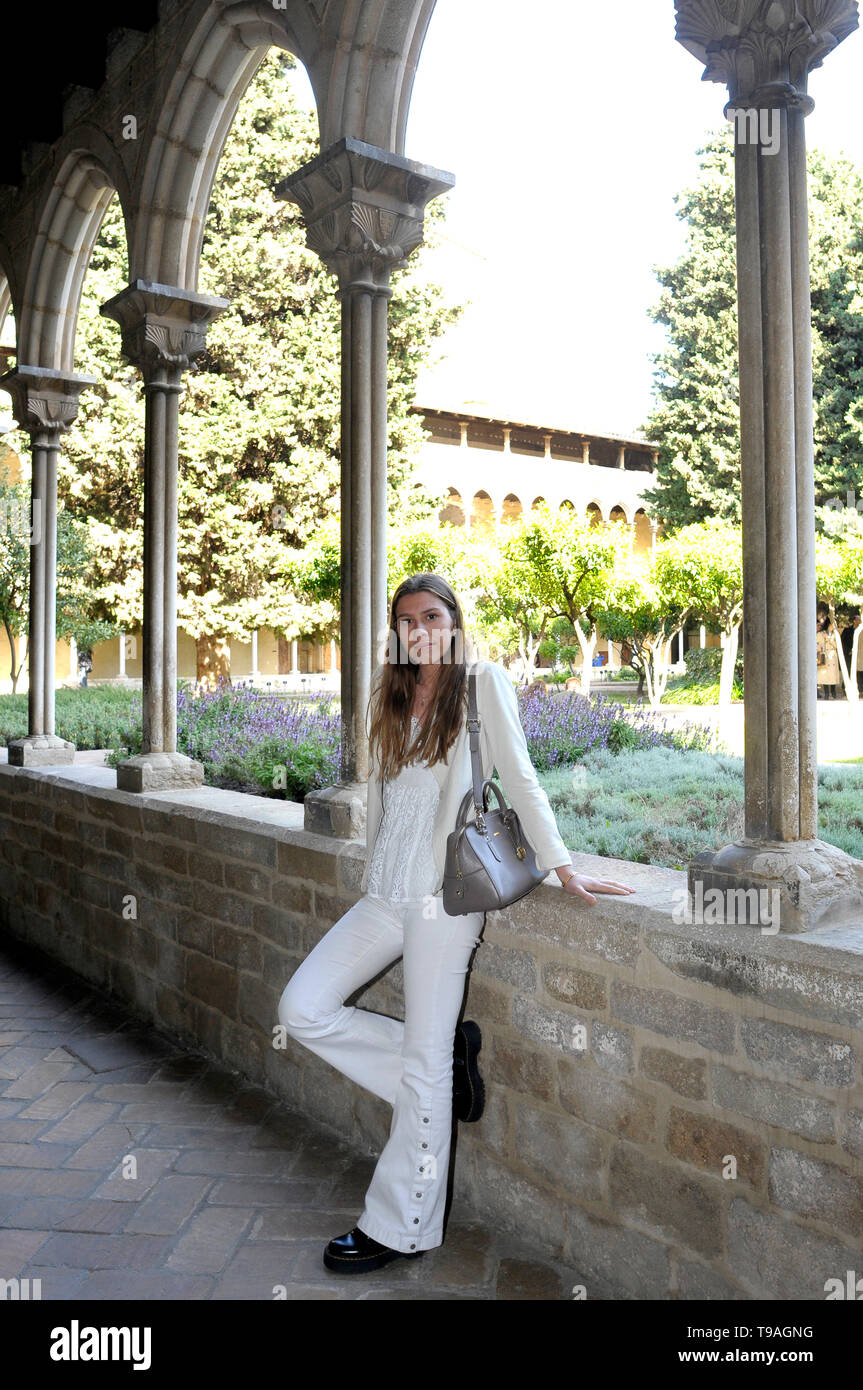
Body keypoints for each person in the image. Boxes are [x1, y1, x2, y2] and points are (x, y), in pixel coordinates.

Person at [277, 571, 636, 1275]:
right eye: (408, 619)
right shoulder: (391, 693)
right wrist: (367, 868)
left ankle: (398, 1225)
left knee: (422, 1068)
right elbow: (383, 798)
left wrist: (563, 868)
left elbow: (522, 777)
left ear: (453, 619)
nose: (421, 629)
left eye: (433, 615)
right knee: (303, 1008)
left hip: (444, 900)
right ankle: (440, 1067)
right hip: (383, 894)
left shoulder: (481, 683)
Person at [816, 611, 840, 699]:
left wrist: (829, 639)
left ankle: (833, 693)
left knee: (833, 676)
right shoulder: (821, 633)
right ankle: (826, 694)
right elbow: (817, 643)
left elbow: (837, 646)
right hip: (824, 656)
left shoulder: (835, 635)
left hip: (832, 656)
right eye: (832, 624)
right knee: (824, 676)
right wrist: (820, 647)